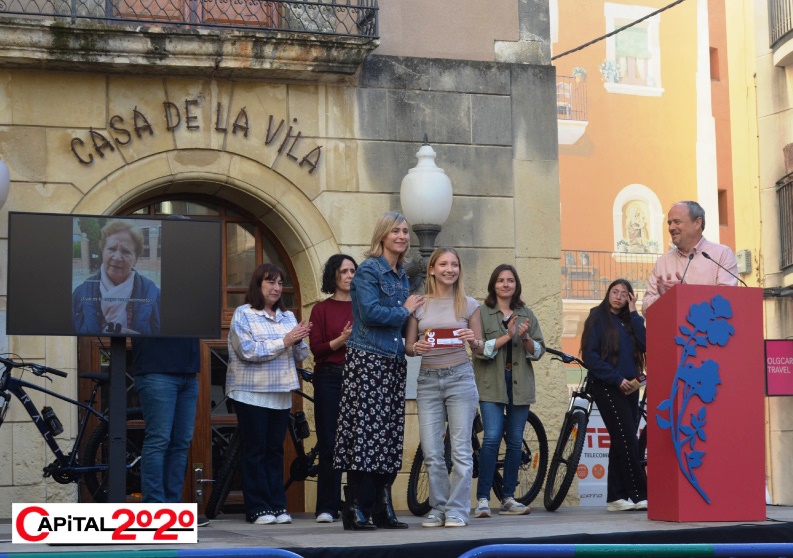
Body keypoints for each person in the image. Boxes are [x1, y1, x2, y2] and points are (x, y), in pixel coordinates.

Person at [333, 211, 425, 531]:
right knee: (365, 436)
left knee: (388, 436)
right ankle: (355, 508)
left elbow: (406, 320)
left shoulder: (402, 276)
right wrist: (405, 309)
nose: (402, 236)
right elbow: (370, 313)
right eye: (395, 231)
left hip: (394, 361)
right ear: (382, 235)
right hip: (368, 360)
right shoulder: (368, 270)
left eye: (405, 231)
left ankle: (381, 508)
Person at [226, 263, 311, 525]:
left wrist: (298, 340)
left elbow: (301, 354)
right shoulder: (243, 313)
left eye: (279, 283)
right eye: (270, 282)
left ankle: (277, 505)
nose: (276, 288)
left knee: (275, 451)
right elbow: (248, 351)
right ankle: (257, 508)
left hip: (280, 393)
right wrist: (285, 341)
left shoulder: (287, 317)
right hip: (250, 392)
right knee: (256, 450)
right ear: (258, 285)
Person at [405, 248, 482, 528]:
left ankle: (457, 510)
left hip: (460, 377)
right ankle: (438, 507)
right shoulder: (419, 305)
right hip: (428, 379)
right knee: (432, 451)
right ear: (432, 270)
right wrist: (417, 347)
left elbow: (480, 347)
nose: (450, 269)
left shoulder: (469, 304)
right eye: (443, 264)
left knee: (460, 451)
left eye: (454, 265)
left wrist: (473, 340)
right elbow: (409, 347)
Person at [473, 264, 545, 518]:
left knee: (515, 441)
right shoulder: (481, 312)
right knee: (492, 437)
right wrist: (507, 334)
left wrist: (525, 339)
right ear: (493, 285)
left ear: (516, 285)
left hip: (520, 382)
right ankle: (483, 499)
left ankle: (508, 498)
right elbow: (479, 349)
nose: (506, 284)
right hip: (491, 382)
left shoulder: (527, 313)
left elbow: (539, 351)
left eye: (510, 280)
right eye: (501, 280)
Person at [580, 279, 647, 512]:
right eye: (614, 292)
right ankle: (639, 494)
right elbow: (591, 357)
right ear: (608, 294)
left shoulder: (630, 321)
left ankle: (615, 498)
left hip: (630, 387)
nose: (618, 296)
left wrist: (634, 312)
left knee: (621, 440)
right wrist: (616, 379)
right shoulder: (597, 318)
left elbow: (646, 344)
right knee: (628, 439)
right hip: (607, 385)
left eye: (624, 294)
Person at [308, 254, 358, 524]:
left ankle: (357, 504)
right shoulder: (321, 309)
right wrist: (341, 340)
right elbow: (316, 349)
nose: (349, 276)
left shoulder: (363, 307)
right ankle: (327, 507)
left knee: (359, 442)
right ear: (333, 276)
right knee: (329, 442)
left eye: (352, 271)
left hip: (359, 377)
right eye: (343, 271)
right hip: (328, 378)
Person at [132, 337, 201, 504]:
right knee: (159, 440)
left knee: (181, 443)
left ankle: (172, 505)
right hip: (156, 370)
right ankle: (154, 505)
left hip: (188, 373)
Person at [642, 201, 738, 312]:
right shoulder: (663, 262)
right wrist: (664, 297)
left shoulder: (722, 254)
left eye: (677, 222)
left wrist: (687, 293)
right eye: (669, 223)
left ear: (697, 223)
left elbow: (726, 301)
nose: (671, 228)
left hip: (707, 323)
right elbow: (645, 310)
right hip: (672, 323)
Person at [72, 219, 160, 335]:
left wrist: (142, 340)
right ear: (102, 252)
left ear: (136, 259)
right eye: (112, 249)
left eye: (126, 251)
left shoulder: (154, 295)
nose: (117, 257)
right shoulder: (80, 293)